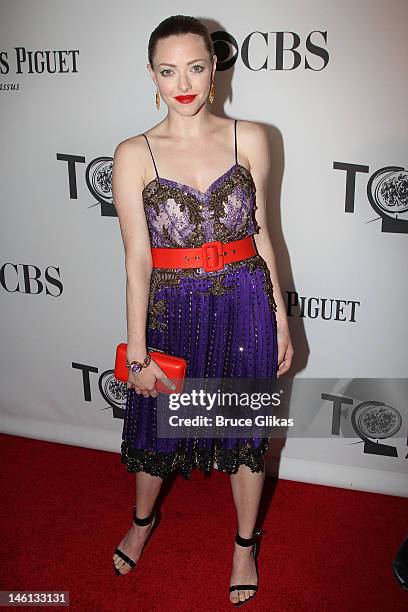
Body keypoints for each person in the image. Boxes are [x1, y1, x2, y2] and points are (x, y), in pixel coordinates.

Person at [111, 14, 293, 606]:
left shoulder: (252, 137)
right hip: (173, 309)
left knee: (246, 435)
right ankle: (141, 524)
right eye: (168, 70)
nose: (182, 82)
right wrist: (136, 350)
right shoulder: (134, 153)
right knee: (160, 431)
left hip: (246, 304)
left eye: (195, 67)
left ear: (215, 68)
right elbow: (138, 260)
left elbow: (264, 233)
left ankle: (244, 543)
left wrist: (281, 320)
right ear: (152, 75)